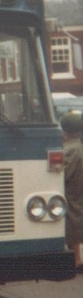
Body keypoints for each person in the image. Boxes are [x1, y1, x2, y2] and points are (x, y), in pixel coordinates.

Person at [60, 113, 83, 270]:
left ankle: (76, 260)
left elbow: (64, 173)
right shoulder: (78, 146)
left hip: (71, 193)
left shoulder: (70, 149)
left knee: (73, 225)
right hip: (77, 192)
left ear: (65, 131)